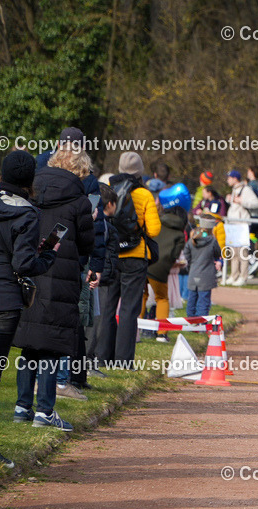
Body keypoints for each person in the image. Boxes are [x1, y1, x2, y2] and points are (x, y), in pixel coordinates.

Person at [0, 151, 58, 467]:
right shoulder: (27, 215)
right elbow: (24, 264)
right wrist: (48, 255)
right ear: (30, 180)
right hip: (2, 301)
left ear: (2, 175)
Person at [13, 142, 96, 428]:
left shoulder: (32, 191)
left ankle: (22, 406)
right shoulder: (80, 200)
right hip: (61, 276)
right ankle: (44, 410)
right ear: (80, 168)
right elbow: (87, 243)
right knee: (50, 346)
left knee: (29, 345)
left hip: (31, 272)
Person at [96, 152, 160, 368]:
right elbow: (154, 230)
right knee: (129, 310)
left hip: (110, 255)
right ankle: (123, 361)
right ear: (140, 171)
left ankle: (102, 358)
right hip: (135, 256)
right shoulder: (144, 194)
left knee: (106, 308)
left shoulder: (108, 188)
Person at [148, 182, 191, 340]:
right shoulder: (179, 234)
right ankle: (161, 333)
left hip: (145, 263)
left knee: (142, 296)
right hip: (160, 269)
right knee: (162, 298)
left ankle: (135, 330)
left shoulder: (158, 222)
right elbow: (174, 256)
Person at [224, 169, 258, 286]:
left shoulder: (246, 189)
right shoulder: (234, 190)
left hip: (242, 224)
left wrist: (241, 201)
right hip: (233, 224)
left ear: (235, 178)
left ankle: (243, 276)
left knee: (242, 252)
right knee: (233, 252)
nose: (227, 180)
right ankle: (234, 275)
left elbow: (256, 203)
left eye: (229, 178)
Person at [183, 224, 221, 316]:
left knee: (191, 300)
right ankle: (202, 325)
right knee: (203, 302)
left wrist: (190, 268)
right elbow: (217, 254)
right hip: (206, 276)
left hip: (193, 274)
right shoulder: (212, 241)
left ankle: (191, 322)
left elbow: (186, 257)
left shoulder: (191, 241)